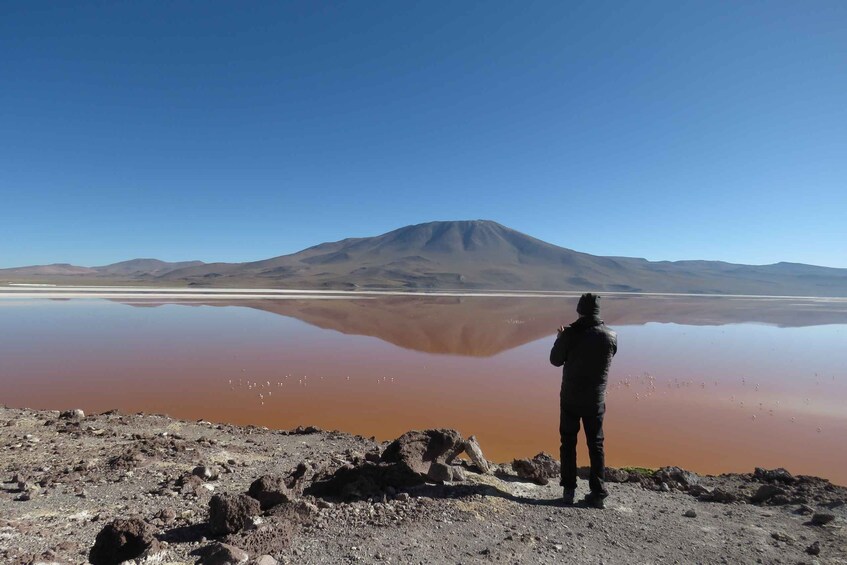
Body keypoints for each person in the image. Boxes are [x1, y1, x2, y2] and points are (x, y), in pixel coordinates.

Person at [549, 293, 617, 508]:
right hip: (595, 400)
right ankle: (598, 494)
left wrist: (560, 339)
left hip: (570, 398)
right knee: (596, 444)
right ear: (598, 311)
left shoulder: (570, 334)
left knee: (568, 442)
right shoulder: (611, 336)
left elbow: (555, 360)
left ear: (579, 310)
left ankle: (569, 490)